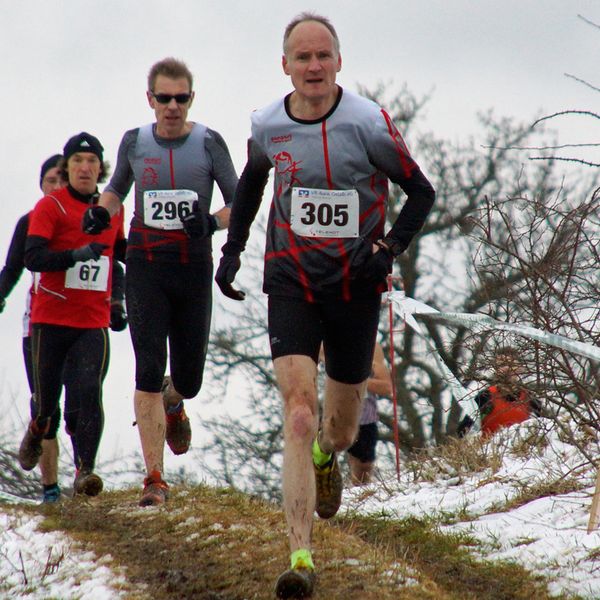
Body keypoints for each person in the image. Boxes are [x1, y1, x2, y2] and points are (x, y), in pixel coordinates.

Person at [215, 13, 435, 598]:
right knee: (298, 411)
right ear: (284, 66)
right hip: (290, 281)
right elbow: (251, 186)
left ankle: (324, 456)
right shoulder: (267, 124)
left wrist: (388, 248)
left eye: (323, 56)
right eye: (302, 58)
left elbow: (422, 192)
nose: (314, 67)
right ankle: (299, 557)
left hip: (354, 288)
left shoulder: (368, 123)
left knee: (336, 430)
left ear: (339, 61)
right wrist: (233, 251)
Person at [82, 57, 238, 506]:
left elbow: (239, 203)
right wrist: (101, 211)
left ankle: (176, 400)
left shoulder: (209, 143)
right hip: (146, 270)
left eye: (181, 98)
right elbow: (115, 190)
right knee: (147, 368)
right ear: (149, 99)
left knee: (188, 378)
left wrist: (210, 223)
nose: (172, 106)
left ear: (192, 98)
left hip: (191, 270)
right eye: (164, 98)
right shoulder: (135, 141)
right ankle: (154, 478)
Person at [0, 155, 127, 503]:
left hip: (88, 319)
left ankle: (82, 474)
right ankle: (50, 487)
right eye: (51, 181)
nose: (57, 186)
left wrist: (118, 301)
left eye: (61, 179)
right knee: (48, 406)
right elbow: (14, 267)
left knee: (84, 396)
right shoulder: (36, 217)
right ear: (42, 185)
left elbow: (114, 259)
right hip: (40, 322)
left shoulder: (106, 211)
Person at [457, 347, 542, 438]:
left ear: (520, 368)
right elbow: (462, 433)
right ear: (496, 369)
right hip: (490, 450)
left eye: (511, 364)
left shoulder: (530, 400)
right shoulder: (485, 397)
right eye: (502, 365)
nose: (506, 369)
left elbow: (543, 431)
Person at [347, 342, 392, 485]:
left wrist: (359, 382)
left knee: (363, 466)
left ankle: (358, 495)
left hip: (365, 418)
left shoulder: (371, 347)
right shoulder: (324, 341)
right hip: (330, 415)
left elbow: (386, 387)